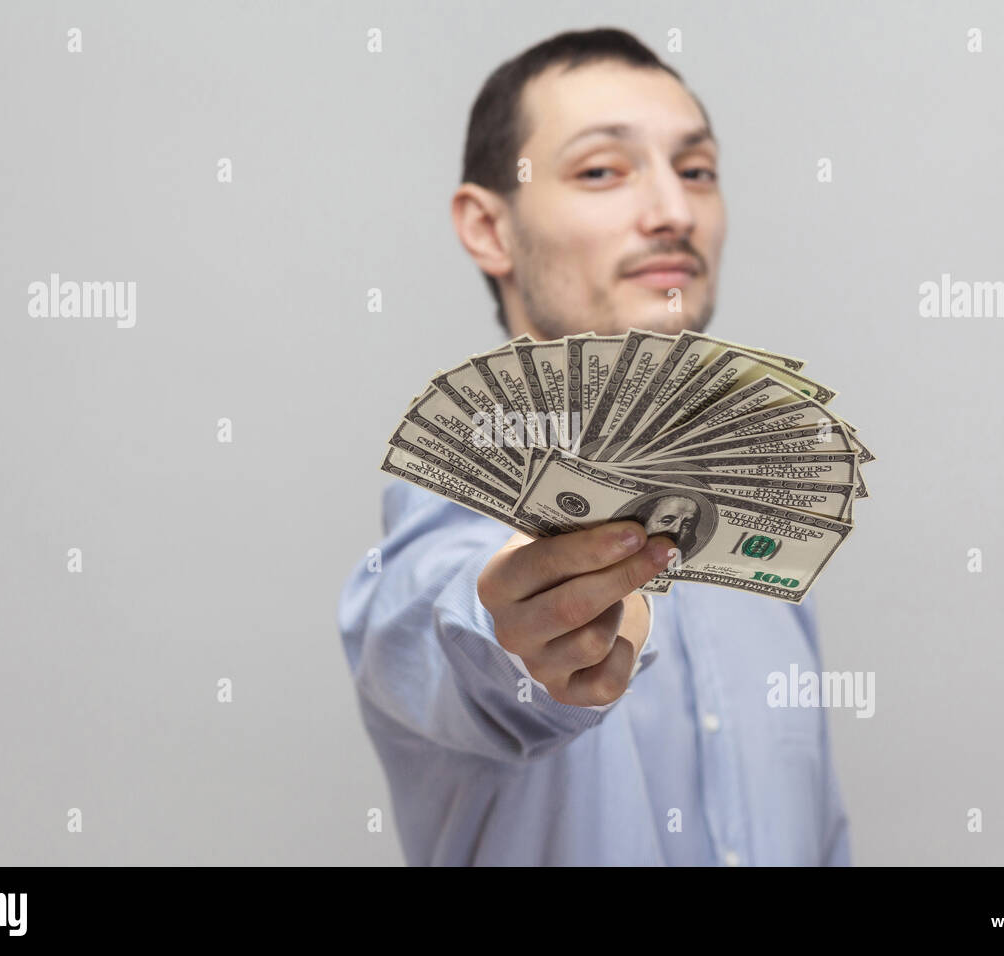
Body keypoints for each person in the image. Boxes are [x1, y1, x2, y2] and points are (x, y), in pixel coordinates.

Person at [337, 27, 849, 866]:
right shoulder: (444, 535)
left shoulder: (771, 550)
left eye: (696, 172)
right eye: (602, 171)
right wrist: (529, 636)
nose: (673, 212)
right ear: (487, 227)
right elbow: (447, 628)